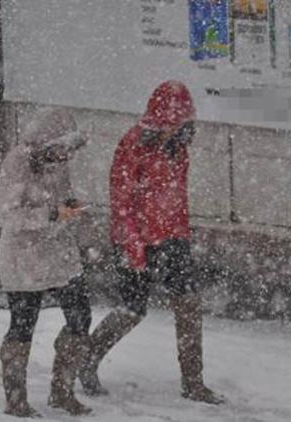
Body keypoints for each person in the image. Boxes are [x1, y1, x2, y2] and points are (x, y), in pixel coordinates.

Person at [78, 81, 224, 404]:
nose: (182, 129)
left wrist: (181, 234)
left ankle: (193, 381)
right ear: (162, 120)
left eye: (185, 122)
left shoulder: (178, 148)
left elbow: (177, 198)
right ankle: (86, 358)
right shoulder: (132, 145)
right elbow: (122, 202)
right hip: (137, 240)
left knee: (188, 303)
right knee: (132, 309)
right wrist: (134, 248)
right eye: (177, 122)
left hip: (172, 237)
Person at [0, 109, 93, 417]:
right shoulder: (18, 162)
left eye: (69, 149)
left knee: (80, 317)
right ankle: (15, 399)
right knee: (23, 326)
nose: (66, 156)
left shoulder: (57, 162)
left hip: (59, 253)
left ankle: (62, 391)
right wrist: (51, 215)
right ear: (47, 142)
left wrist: (71, 208)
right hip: (24, 257)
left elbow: (63, 197)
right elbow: (6, 215)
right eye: (62, 148)